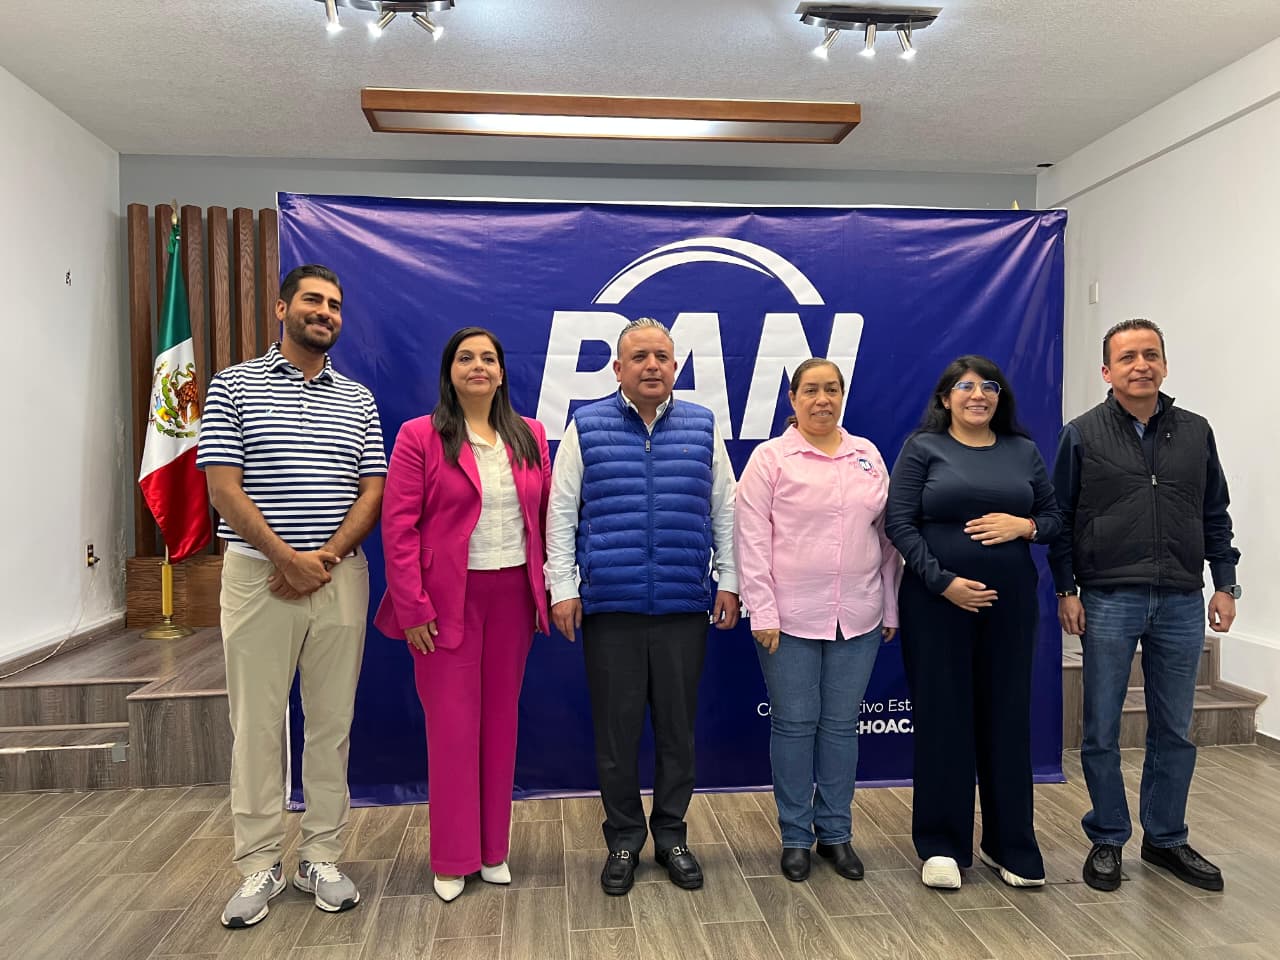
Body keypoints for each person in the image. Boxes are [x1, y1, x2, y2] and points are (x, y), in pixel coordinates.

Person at [198, 264, 386, 928]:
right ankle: (259, 865)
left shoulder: (358, 399)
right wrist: (285, 558)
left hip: (339, 578)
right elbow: (222, 486)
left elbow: (372, 490)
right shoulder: (232, 385)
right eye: (312, 300)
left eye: (334, 304)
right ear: (282, 308)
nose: (324, 312)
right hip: (259, 578)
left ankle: (320, 857)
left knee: (331, 725)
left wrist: (322, 559)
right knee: (256, 725)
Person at [545, 317, 739, 896]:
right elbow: (561, 511)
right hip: (612, 609)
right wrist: (563, 587)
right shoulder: (587, 426)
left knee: (678, 734)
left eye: (661, 356)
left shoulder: (703, 426)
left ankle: (672, 836)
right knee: (617, 736)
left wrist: (730, 580)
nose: (652, 365)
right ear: (617, 368)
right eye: (640, 357)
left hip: (683, 606)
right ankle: (625, 840)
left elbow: (725, 510)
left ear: (675, 366)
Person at [1050, 318, 1240, 894]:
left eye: (1150, 355)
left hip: (1181, 597)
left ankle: (1166, 838)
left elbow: (1215, 511)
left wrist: (1225, 583)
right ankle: (1108, 836)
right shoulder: (1081, 434)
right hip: (1108, 596)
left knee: (1174, 729)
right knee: (1101, 728)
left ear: (1164, 364)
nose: (1141, 365)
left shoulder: (1196, 432)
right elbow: (1061, 518)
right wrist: (1066, 589)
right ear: (1107, 371)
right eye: (1128, 357)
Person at [373, 327, 551, 903]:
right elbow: (399, 526)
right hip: (445, 601)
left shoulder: (530, 435)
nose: (479, 366)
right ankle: (453, 858)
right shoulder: (419, 436)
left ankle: (493, 850)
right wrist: (412, 605)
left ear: (501, 373)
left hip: (513, 598)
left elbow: (545, 517)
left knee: (501, 724)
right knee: (452, 730)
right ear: (450, 372)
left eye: (489, 358)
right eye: (467, 358)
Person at [885, 355, 1061, 891]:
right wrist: (943, 582)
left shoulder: (1023, 451)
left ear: (1000, 398)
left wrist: (1024, 525)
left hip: (1011, 606)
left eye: (988, 386)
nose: (977, 394)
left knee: (1007, 718)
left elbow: (1054, 519)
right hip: (937, 603)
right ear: (946, 399)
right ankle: (942, 845)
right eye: (964, 386)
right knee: (944, 718)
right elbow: (899, 522)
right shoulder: (923, 448)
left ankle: (1011, 845)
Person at [734, 358, 901, 883]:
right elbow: (750, 539)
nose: (822, 399)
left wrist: (890, 605)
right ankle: (795, 836)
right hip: (788, 619)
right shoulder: (770, 459)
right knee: (793, 725)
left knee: (840, 726)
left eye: (831, 389)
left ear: (843, 396)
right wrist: (762, 610)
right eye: (811, 390)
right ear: (793, 399)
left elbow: (888, 539)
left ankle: (836, 833)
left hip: (860, 615)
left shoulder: (867, 455)